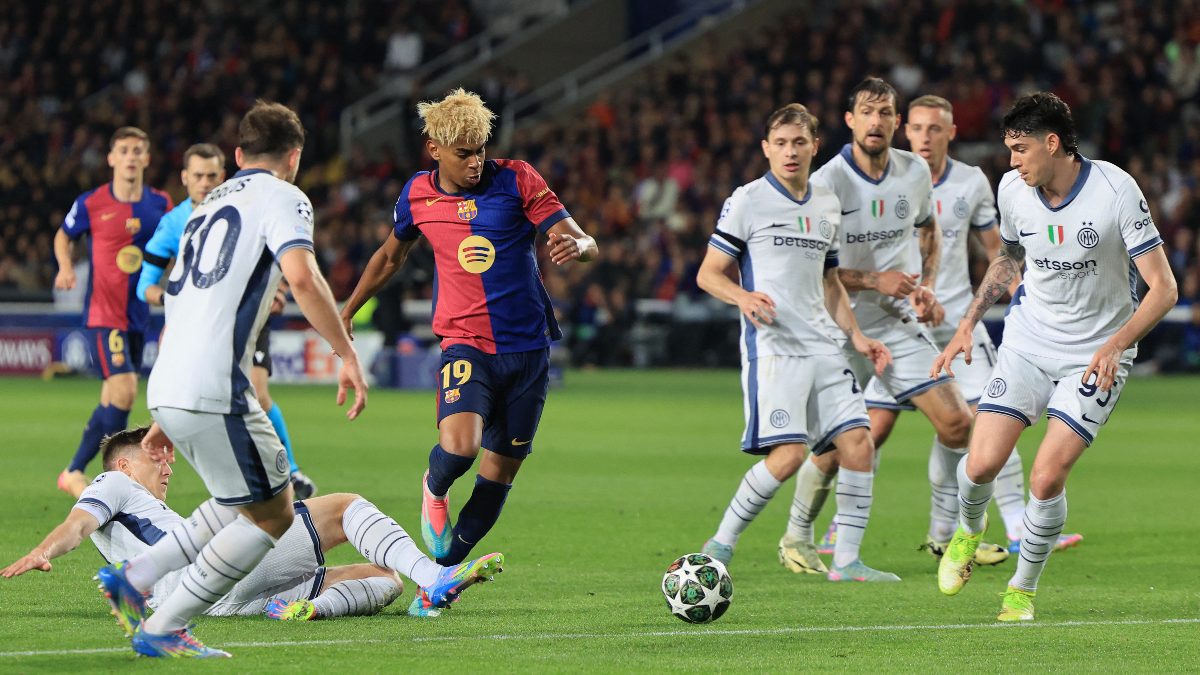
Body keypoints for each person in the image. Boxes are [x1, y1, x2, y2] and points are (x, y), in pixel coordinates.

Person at [86, 100, 372, 659]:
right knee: (274, 513)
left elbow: (178, 295)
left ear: (238, 156)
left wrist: (172, 406)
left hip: (170, 378)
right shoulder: (285, 196)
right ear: (294, 157)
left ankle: (136, 576)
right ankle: (164, 622)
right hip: (214, 384)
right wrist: (345, 351)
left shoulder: (203, 207)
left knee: (239, 497)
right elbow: (304, 279)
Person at [339, 88, 597, 615]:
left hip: (528, 349)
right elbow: (390, 257)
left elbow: (581, 237)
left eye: (481, 149)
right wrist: (345, 311)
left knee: (499, 473)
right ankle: (433, 488)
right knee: (460, 448)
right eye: (464, 153)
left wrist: (581, 246)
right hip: (465, 342)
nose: (476, 161)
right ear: (434, 148)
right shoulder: (415, 196)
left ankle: (436, 581)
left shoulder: (518, 178)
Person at [934, 92, 1176, 621]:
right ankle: (968, 532)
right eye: (1009, 151)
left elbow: (1164, 288)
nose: (1013, 161)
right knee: (979, 465)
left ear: (1052, 143)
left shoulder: (1116, 190)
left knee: (1045, 478)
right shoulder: (1014, 191)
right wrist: (966, 328)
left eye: (1020, 149)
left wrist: (1115, 345)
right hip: (1029, 341)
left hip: (1096, 354)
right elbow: (1010, 258)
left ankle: (1020, 593)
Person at [862, 95, 1081, 560]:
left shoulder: (972, 182)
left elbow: (997, 248)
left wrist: (1026, 293)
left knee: (992, 417)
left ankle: (1008, 528)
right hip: (898, 324)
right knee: (872, 430)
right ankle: (837, 535)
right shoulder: (882, 180)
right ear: (905, 131)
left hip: (958, 321)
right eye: (917, 128)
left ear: (951, 131)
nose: (924, 137)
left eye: (934, 129)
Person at [2, 427, 500, 621]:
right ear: (126, 466)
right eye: (156, 460)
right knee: (346, 508)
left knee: (383, 576)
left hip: (218, 601)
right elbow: (78, 525)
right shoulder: (113, 485)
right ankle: (434, 579)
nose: (168, 467)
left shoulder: (145, 513)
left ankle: (306, 609)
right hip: (217, 571)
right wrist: (45, 549)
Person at [780, 78, 975, 566]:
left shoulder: (913, 171)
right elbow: (808, 265)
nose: (876, 121)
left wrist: (924, 287)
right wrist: (874, 279)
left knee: (957, 422)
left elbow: (929, 230)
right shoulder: (825, 183)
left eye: (885, 112)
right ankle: (797, 537)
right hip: (838, 326)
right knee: (835, 445)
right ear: (850, 121)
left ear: (895, 122)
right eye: (866, 112)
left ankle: (944, 533)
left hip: (894, 322)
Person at [696, 104, 895, 582]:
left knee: (859, 443)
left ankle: (846, 561)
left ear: (813, 146)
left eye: (798, 142)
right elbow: (707, 274)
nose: (790, 151)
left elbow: (830, 281)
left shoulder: (827, 203)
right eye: (780, 143)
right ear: (766, 149)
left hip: (825, 345)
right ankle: (720, 545)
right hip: (776, 346)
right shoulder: (747, 200)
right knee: (786, 457)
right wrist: (742, 296)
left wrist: (857, 335)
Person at [136, 143, 318, 499]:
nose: (205, 183)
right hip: (199, 321)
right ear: (184, 178)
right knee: (220, 397)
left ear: (224, 175)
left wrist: (272, 292)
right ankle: (252, 482)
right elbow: (146, 283)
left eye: (212, 176)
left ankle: (288, 472)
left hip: (248, 316)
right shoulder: (175, 222)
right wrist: (173, 298)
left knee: (259, 394)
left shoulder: (244, 202)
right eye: (198, 176)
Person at [53, 127, 173, 497]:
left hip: (140, 314)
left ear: (147, 158)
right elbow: (63, 234)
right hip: (105, 313)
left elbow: (176, 242)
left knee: (112, 398)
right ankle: (114, 481)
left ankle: (74, 471)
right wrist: (66, 266)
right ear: (111, 158)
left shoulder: (160, 204)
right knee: (123, 392)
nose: (131, 157)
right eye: (124, 150)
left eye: (138, 150)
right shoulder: (92, 202)